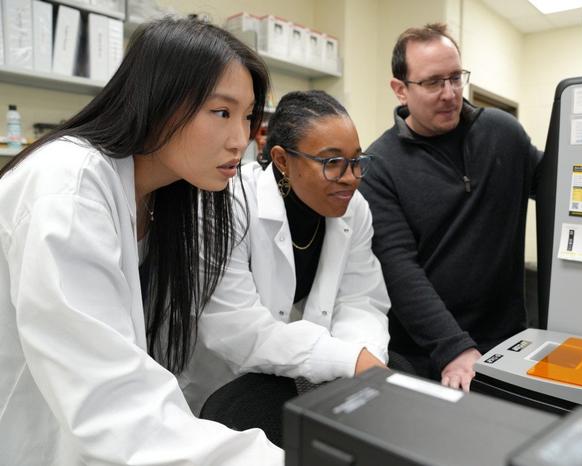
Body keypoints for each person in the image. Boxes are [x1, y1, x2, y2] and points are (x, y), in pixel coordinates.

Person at [0, 17, 283, 465]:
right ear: (158, 101)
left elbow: (232, 323)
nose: (240, 140)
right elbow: (108, 401)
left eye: (248, 117)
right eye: (221, 112)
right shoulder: (68, 186)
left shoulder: (171, 195)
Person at [180, 90, 391, 444]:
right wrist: (348, 359)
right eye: (331, 162)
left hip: (300, 377)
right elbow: (238, 329)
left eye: (357, 161)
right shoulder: (229, 205)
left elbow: (361, 300)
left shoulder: (355, 209)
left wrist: (364, 359)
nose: (351, 177)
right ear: (281, 159)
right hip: (226, 384)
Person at [359, 23, 542, 392]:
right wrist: (453, 347)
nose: (449, 93)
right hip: (430, 352)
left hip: (509, 341)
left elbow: (560, 190)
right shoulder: (378, 165)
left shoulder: (503, 134)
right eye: (432, 83)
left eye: (455, 78)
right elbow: (400, 270)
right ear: (400, 90)